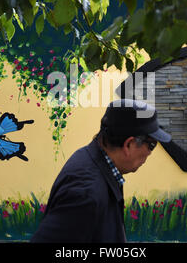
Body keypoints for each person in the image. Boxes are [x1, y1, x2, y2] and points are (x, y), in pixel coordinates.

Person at [30, 99, 171, 243]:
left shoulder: (97, 162)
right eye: (152, 145)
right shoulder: (86, 193)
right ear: (129, 144)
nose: (150, 153)